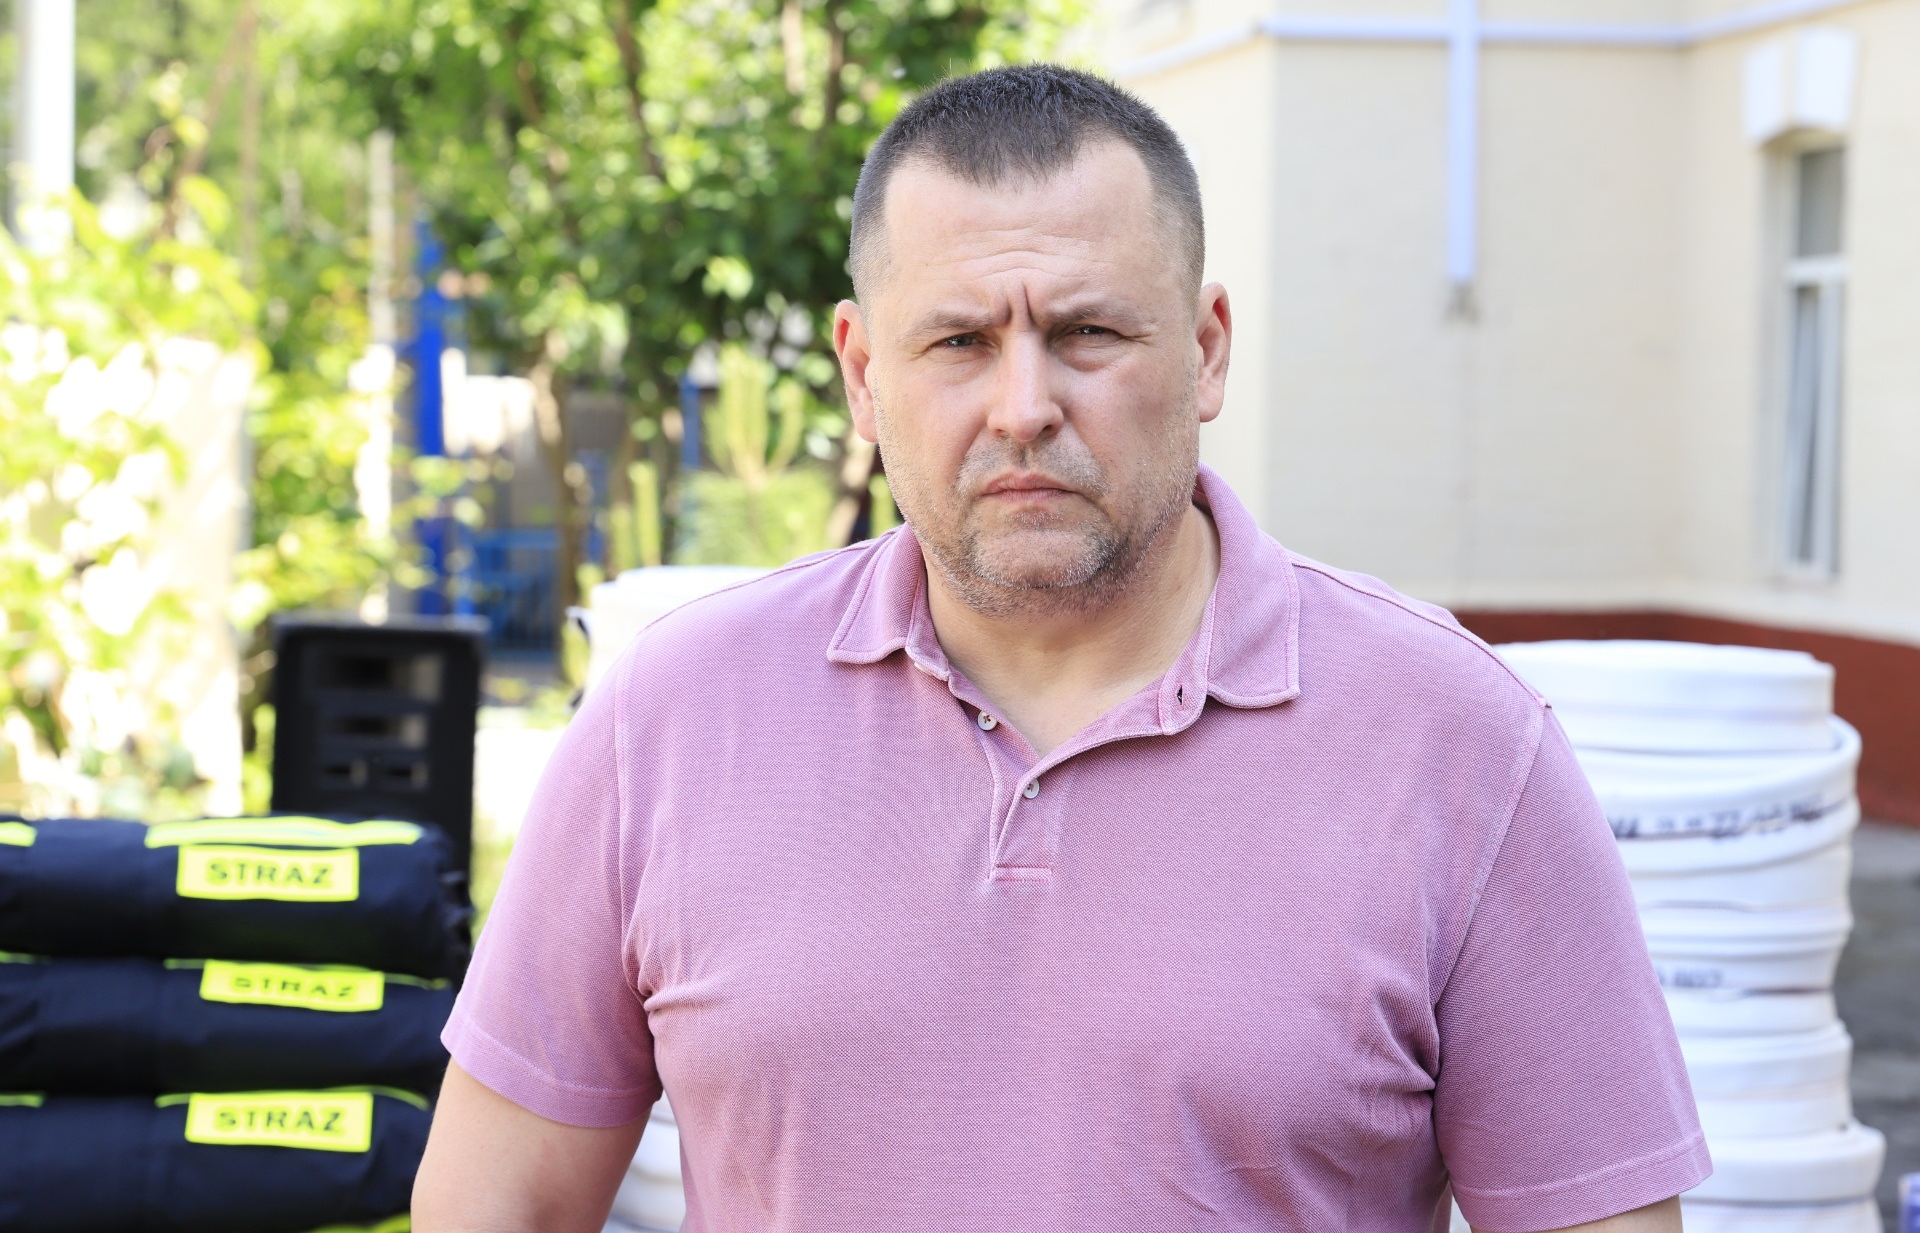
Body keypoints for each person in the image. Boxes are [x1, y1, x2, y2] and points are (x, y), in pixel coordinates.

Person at [414, 64, 1708, 1233]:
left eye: (1088, 333)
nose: (1024, 407)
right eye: (959, 341)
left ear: (1205, 349)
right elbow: (494, 1205)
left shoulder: (1460, 745)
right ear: (862, 375)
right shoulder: (672, 717)